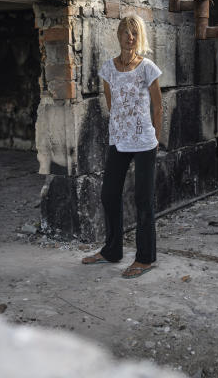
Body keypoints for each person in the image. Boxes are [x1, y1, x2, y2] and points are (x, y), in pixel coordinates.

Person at [81, 14, 163, 278]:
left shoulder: (147, 67)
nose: (130, 37)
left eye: (135, 33)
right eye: (126, 32)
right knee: (109, 195)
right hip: (119, 140)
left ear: (140, 38)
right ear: (118, 35)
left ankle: (145, 258)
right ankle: (112, 250)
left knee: (143, 199)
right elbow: (111, 105)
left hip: (144, 142)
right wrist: (120, 128)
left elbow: (159, 106)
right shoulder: (108, 69)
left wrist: (155, 139)